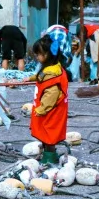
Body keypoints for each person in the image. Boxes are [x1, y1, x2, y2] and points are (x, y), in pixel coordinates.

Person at [30, 35, 69, 166]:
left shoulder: (52, 76)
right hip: (49, 111)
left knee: (49, 136)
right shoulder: (51, 69)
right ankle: (48, 153)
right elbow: (41, 76)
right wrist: (30, 78)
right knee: (46, 135)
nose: (37, 57)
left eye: (39, 54)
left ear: (47, 55)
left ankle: (49, 158)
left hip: (50, 112)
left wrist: (40, 109)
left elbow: (51, 96)